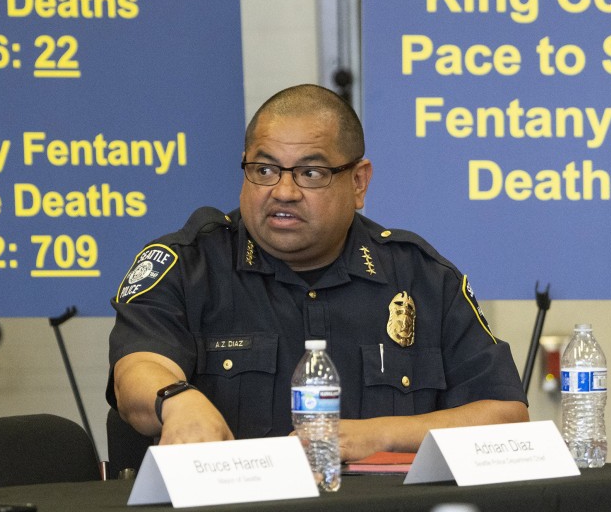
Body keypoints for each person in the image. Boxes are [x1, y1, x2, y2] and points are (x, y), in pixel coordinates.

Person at [107, 84, 528, 461]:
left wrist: (377, 436)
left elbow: (506, 415)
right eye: (265, 170)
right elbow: (136, 372)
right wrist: (177, 400)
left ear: (359, 183)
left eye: (311, 173)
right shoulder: (190, 264)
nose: (283, 192)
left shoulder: (421, 277)